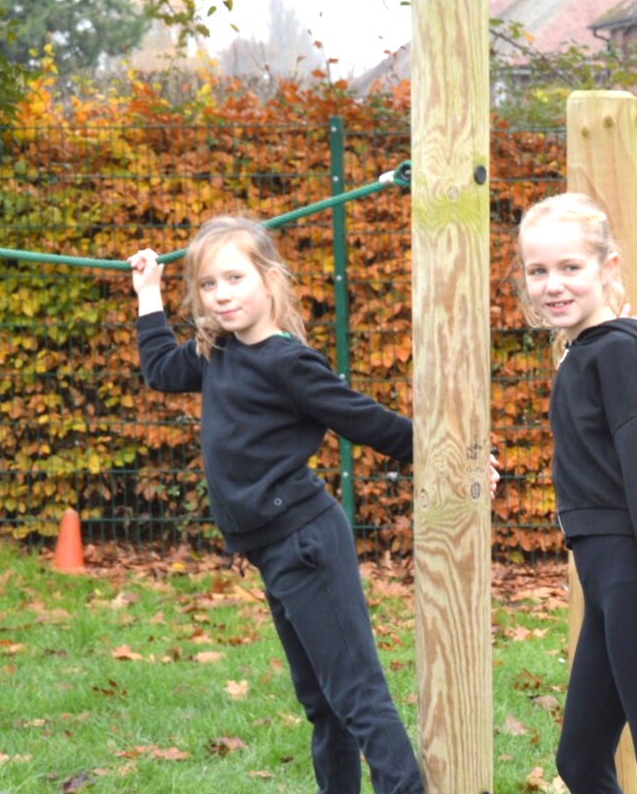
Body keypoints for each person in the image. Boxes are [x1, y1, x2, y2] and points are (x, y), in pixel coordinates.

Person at [130, 217, 494, 794]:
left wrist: (451, 458)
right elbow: (158, 370)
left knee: (356, 693)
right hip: (273, 550)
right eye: (206, 285)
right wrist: (149, 295)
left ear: (269, 280)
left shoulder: (288, 363)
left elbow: (363, 418)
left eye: (233, 277)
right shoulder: (216, 352)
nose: (220, 294)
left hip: (305, 543)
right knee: (323, 703)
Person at [516, 192, 637, 794]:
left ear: (609, 269)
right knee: (579, 762)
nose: (552, 285)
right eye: (537, 271)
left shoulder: (619, 351)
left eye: (570, 267)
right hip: (605, 578)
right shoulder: (586, 351)